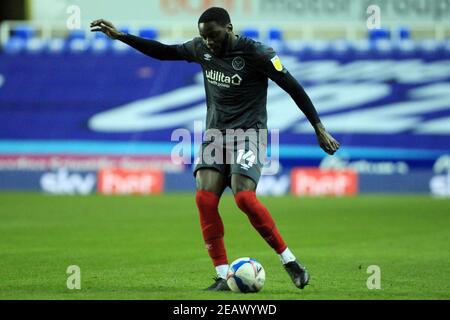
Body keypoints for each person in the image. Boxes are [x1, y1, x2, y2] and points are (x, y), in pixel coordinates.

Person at [91, 7, 340, 292]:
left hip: (249, 134)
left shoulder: (257, 53)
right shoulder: (200, 48)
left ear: (230, 27)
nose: (209, 42)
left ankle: (290, 261)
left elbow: (292, 86)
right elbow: (164, 51)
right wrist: (121, 36)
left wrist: (318, 127)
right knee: (204, 200)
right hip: (215, 136)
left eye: (214, 35)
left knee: (244, 197)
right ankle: (223, 275)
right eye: (204, 37)